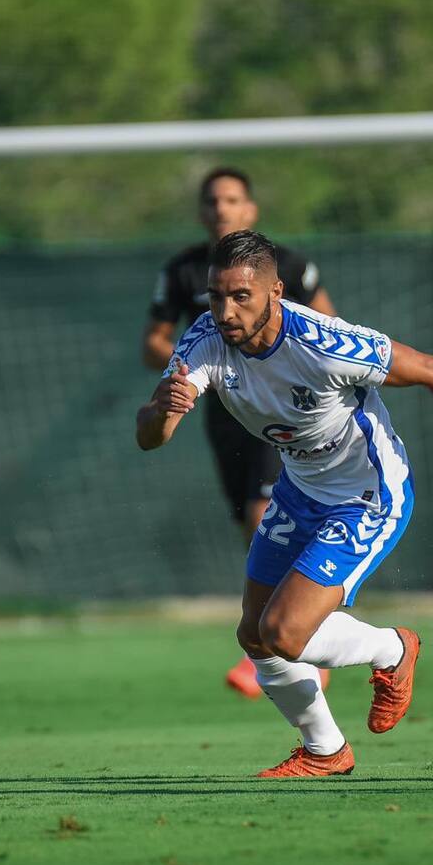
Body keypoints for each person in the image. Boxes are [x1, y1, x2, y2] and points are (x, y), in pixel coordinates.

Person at [138, 230, 433, 776]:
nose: (225, 311)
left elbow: (432, 368)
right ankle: (326, 750)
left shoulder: (325, 343)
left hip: (367, 496)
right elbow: (151, 437)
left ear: (276, 291)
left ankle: (392, 650)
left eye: (241, 296)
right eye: (215, 296)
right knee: (253, 633)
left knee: (284, 633)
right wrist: (161, 408)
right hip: (299, 490)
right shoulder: (203, 340)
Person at [142, 167, 336, 700]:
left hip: (285, 411)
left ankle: (295, 635)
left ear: (250, 209)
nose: (221, 209)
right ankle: (281, 627)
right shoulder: (184, 271)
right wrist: (190, 369)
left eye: (232, 200)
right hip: (221, 410)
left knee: (263, 513)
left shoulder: (289, 266)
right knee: (253, 522)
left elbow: (330, 325)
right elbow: (153, 341)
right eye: (211, 201)